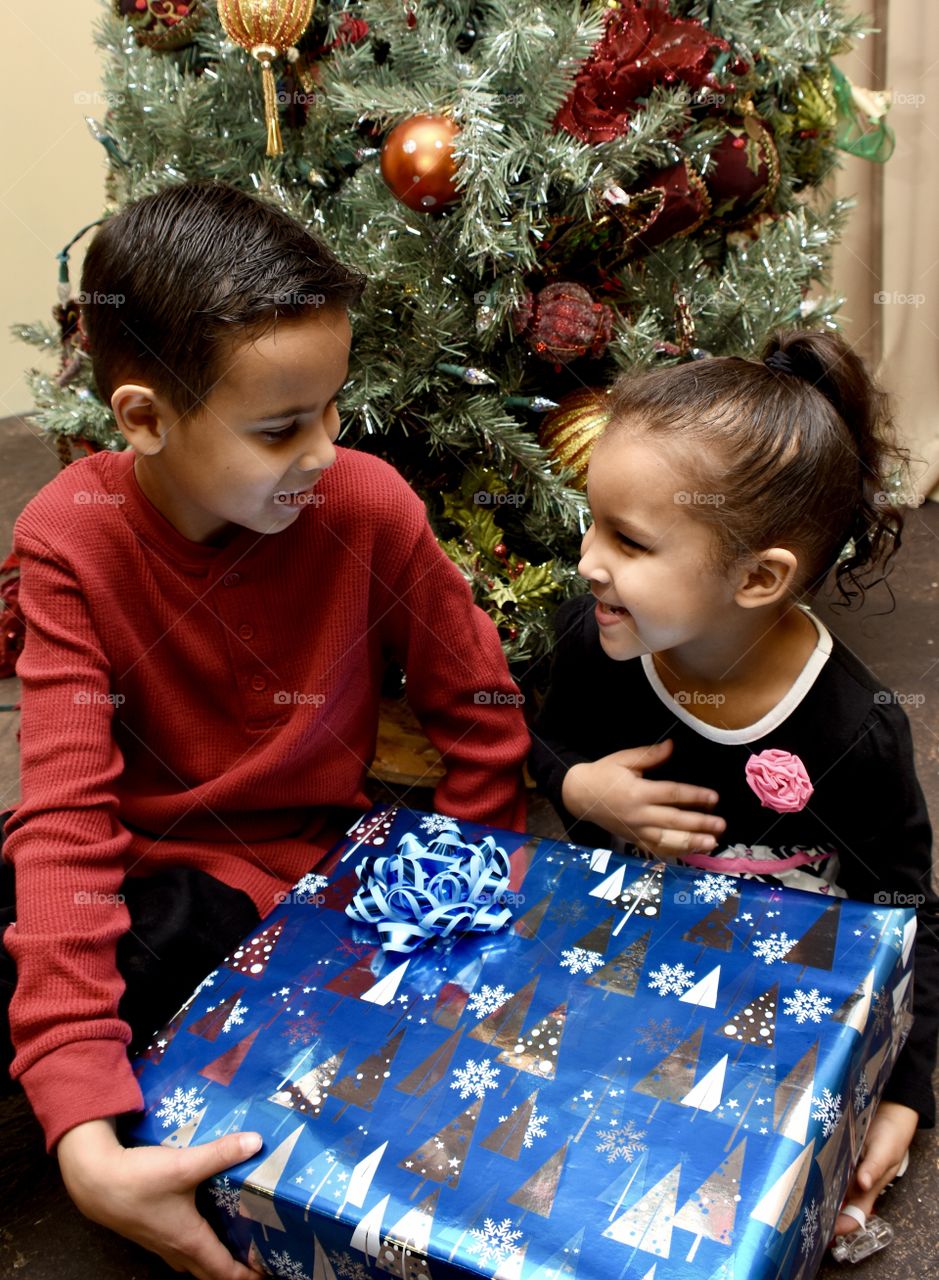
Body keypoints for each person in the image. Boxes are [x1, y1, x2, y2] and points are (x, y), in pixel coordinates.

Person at [0, 180, 529, 1280]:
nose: (326, 449)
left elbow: (478, 711)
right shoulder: (68, 538)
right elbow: (63, 813)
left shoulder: (371, 506)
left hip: (270, 888)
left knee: (159, 939)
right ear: (142, 417)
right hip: (127, 856)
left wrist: (467, 909)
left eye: (334, 407)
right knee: (44, 916)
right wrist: (83, 1131)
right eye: (284, 425)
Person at [529, 329, 938, 1244]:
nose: (589, 560)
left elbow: (906, 915)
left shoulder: (855, 732)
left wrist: (906, 1090)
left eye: (629, 541)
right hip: (622, 960)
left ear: (759, 578)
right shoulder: (596, 641)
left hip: (780, 1007)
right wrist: (582, 789)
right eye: (591, 520)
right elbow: (542, 747)